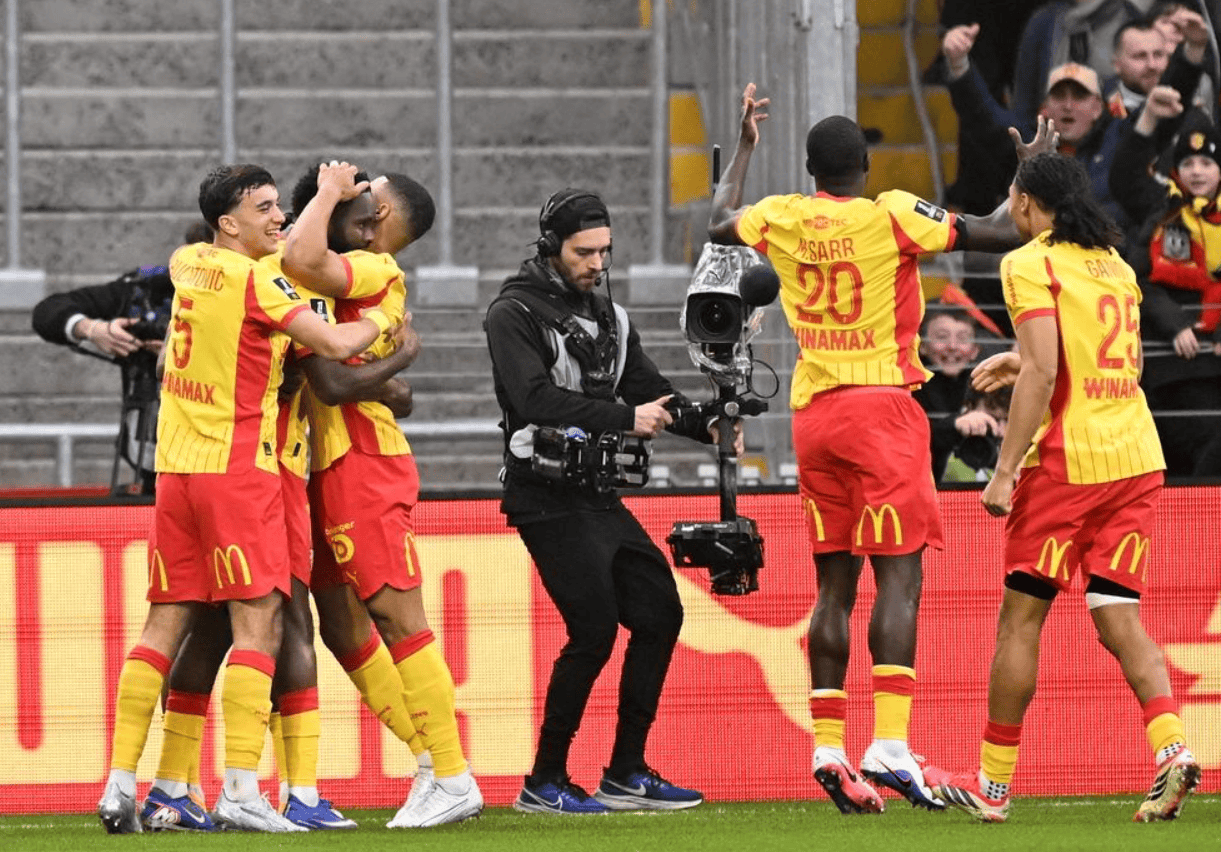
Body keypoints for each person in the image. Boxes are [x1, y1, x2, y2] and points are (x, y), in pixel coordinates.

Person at [707, 83, 1048, 814]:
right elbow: (1000, 230)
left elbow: (716, 221)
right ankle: (890, 745)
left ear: (810, 171)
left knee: (832, 586)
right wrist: (1028, 170)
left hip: (814, 415)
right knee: (899, 580)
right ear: (865, 165)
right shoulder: (891, 213)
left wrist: (742, 150)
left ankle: (828, 747)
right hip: (882, 409)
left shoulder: (783, 216)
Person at [96, 163, 393, 835]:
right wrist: (384, 316)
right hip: (240, 471)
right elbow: (334, 343)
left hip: (177, 472)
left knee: (162, 626)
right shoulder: (259, 283)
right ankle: (240, 789)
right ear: (228, 223)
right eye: (263, 208)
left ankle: (121, 785)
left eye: (277, 205)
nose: (276, 217)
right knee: (260, 626)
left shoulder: (188, 263)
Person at [934, 152, 1200, 823]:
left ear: (1025, 202)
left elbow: (1046, 372)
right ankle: (1172, 750)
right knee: (1118, 615)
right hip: (1136, 456)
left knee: (1021, 619)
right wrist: (1020, 357)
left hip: (1067, 465)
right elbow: (1112, 359)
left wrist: (1003, 470)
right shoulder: (1115, 264)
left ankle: (992, 786)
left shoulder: (1028, 263)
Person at [484, 187, 730, 815]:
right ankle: (545, 780)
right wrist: (625, 417)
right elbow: (533, 399)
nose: (597, 263)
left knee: (659, 615)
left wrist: (707, 422)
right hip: (543, 495)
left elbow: (651, 390)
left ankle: (625, 772)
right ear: (551, 247)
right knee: (592, 630)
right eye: (584, 252)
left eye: (605, 251)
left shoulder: (612, 319)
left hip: (597, 495)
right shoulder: (512, 312)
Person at [283, 162, 486, 829]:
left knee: (398, 618)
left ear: (384, 217)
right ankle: (431, 760)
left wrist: (327, 193)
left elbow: (333, 378)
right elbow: (386, 387)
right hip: (322, 464)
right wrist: (397, 369)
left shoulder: (371, 269)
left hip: (362, 462)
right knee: (342, 629)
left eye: (367, 199)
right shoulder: (355, 280)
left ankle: (451, 774)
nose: (358, 205)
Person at [29, 222, 211, 494]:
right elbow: (47, 312)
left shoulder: (252, 293)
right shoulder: (145, 290)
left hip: (223, 457)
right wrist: (93, 329)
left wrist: (181, 350)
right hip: (150, 455)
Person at [1109, 88, 1221, 476]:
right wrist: (1175, 325)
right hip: (1173, 368)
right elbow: (1137, 280)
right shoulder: (1161, 208)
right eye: (1187, 162)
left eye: (1207, 162)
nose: (1197, 171)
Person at [913, 309, 989, 480]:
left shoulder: (987, 388)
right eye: (942, 337)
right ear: (922, 346)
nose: (953, 346)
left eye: (962, 339)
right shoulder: (909, 390)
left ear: (975, 350)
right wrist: (954, 425)